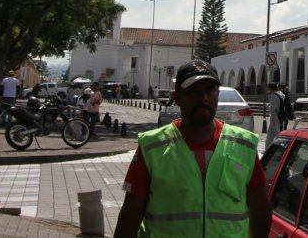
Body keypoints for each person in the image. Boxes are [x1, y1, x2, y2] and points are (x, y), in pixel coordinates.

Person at [113, 60, 270, 238]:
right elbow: (129, 217)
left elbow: (261, 210)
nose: (203, 97)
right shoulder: (152, 148)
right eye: (193, 91)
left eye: (209, 90)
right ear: (177, 97)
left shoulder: (244, 145)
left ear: (217, 94)